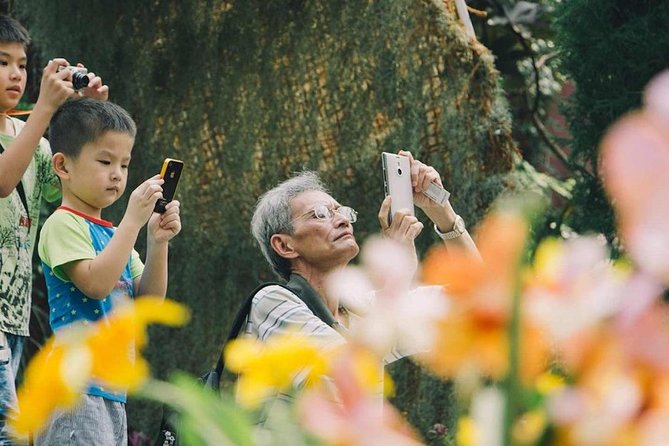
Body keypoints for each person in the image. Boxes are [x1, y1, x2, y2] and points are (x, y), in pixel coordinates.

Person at [245, 150, 480, 421]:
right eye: (320, 214)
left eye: (342, 211)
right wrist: (396, 276)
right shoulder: (271, 302)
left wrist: (442, 213)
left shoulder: (361, 314)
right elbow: (344, 369)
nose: (343, 219)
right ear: (284, 245)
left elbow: (474, 301)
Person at [34, 98, 181, 445]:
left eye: (124, 164)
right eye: (105, 161)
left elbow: (149, 300)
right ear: (63, 166)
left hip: (110, 388)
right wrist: (132, 221)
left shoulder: (114, 236)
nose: (117, 174)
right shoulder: (62, 224)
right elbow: (97, 285)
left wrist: (157, 241)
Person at [0, 14, 108, 445]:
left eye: (22, 64)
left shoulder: (31, 137)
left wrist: (92, 117)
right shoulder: (34, 126)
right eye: (2, 62)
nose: (16, 74)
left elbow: (82, 190)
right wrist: (45, 108)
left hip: (13, 314)